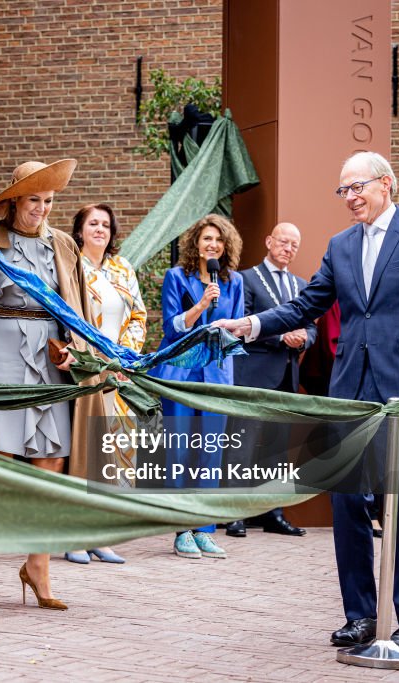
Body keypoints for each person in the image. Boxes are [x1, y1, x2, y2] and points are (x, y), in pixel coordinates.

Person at [216, 151, 399, 654]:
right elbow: (308, 304)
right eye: (343, 190)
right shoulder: (340, 245)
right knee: (348, 502)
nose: (350, 197)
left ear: (386, 184)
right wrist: (252, 325)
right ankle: (360, 615)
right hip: (350, 392)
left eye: (357, 187)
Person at [0, 158, 100, 611]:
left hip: (49, 357)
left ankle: (38, 565)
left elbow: (77, 309)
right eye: (34, 200)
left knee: (51, 459)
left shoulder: (64, 246)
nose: (42, 209)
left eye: (49, 201)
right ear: (13, 201)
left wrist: (76, 350)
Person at [153, 214, 244, 560]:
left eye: (219, 240)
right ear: (196, 243)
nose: (213, 245)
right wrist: (203, 304)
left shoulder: (233, 281)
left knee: (210, 453)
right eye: (207, 238)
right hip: (180, 374)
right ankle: (181, 530)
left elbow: (235, 327)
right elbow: (173, 326)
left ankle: (204, 529)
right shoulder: (176, 277)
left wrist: (226, 328)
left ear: (226, 246)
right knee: (179, 452)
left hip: (217, 375)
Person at [62, 202, 147, 565]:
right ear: (79, 230)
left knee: (112, 453)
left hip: (118, 371)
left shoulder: (122, 268)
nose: (100, 230)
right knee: (83, 452)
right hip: (82, 370)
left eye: (106, 225)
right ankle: (73, 536)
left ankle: (100, 534)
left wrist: (123, 359)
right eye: (93, 224)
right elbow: (62, 315)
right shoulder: (69, 266)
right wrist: (90, 359)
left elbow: (138, 315)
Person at [224, 222, 315, 538]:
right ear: (268, 241)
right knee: (243, 445)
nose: (288, 248)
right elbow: (240, 326)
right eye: (283, 241)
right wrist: (280, 339)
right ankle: (235, 513)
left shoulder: (301, 285)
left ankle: (272, 513)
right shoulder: (245, 279)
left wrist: (304, 338)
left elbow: (312, 327)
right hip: (253, 374)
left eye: (294, 245)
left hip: (286, 376)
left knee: (277, 448)